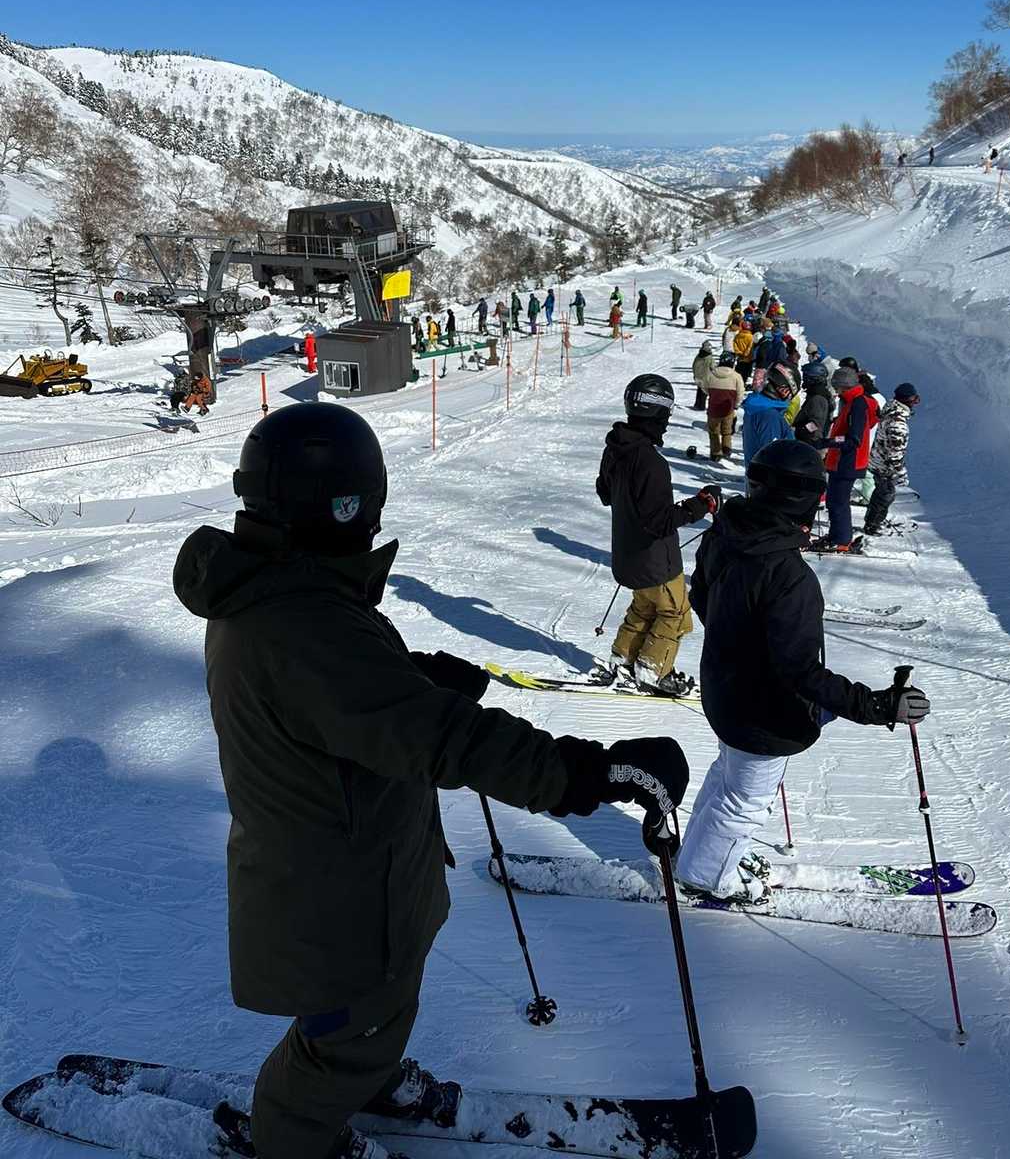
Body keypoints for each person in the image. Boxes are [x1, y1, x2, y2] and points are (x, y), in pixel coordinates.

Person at [175, 405, 689, 1159]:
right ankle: (295, 1138)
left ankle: (370, 1076)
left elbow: (331, 694)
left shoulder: (276, 590)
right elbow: (448, 739)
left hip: (356, 869)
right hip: (337, 893)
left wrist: (407, 676)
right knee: (338, 1042)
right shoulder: (303, 621)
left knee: (376, 1013)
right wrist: (591, 772)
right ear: (343, 508)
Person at [676, 439, 930, 903]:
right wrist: (877, 706)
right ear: (808, 500)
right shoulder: (788, 575)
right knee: (745, 799)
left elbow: (703, 596)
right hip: (763, 713)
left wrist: (741, 645)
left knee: (728, 777)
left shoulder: (726, 532)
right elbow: (799, 672)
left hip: (726, 689)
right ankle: (706, 877)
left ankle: (699, 858)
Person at [597, 375, 718, 695]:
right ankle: (653, 669)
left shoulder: (617, 448)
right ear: (658, 413)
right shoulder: (650, 461)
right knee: (675, 613)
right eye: (667, 413)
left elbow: (605, 493)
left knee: (645, 609)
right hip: (656, 561)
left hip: (629, 554)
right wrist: (700, 505)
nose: (667, 421)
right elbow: (660, 522)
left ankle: (623, 658)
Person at [816, 367, 870, 551]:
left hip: (849, 461)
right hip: (840, 460)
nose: (836, 391)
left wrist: (829, 442)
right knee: (833, 500)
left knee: (839, 502)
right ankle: (836, 535)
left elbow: (853, 439)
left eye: (837, 387)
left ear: (845, 386)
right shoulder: (850, 401)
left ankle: (842, 540)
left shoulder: (857, 404)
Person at [864, 383, 920, 536]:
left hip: (878, 460)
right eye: (914, 399)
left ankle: (874, 521)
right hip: (884, 465)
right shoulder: (898, 423)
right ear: (907, 400)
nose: (915, 403)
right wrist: (900, 472)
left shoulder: (892, 412)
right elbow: (894, 452)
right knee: (885, 495)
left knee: (882, 493)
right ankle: (873, 525)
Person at [739, 365, 794, 480]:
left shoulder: (760, 408)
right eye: (790, 392)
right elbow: (771, 455)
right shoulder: (769, 416)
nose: (790, 397)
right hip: (770, 482)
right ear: (783, 389)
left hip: (759, 478)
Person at [705, 352, 745, 461]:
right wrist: (736, 405)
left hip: (713, 407)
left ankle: (715, 453)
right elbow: (740, 393)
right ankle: (726, 449)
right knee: (727, 431)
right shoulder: (736, 376)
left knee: (713, 431)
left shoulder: (711, 374)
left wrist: (712, 394)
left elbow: (704, 387)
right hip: (728, 408)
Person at [792, 362, 832, 447]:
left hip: (808, 444)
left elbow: (816, 424)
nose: (803, 380)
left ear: (813, 379)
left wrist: (799, 430)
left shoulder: (818, 398)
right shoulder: (815, 394)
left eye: (805, 376)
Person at [692, 339, 714, 410]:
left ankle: (697, 404)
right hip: (706, 377)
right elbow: (713, 367)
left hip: (698, 376)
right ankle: (701, 406)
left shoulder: (698, 356)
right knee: (704, 392)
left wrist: (695, 374)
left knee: (699, 390)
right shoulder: (709, 358)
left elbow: (694, 365)